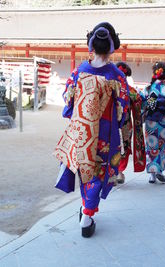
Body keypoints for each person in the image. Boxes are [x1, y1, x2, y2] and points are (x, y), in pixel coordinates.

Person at [53, 22, 129, 238]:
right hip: (105, 133)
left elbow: (67, 104)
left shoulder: (78, 71)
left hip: (82, 130)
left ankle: (86, 211)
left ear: (91, 46)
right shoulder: (117, 75)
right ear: (113, 46)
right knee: (98, 173)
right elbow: (122, 107)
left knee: (84, 169)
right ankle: (87, 215)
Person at [115, 62, 146, 184]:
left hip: (114, 124)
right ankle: (119, 172)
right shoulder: (131, 91)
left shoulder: (110, 88)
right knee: (124, 146)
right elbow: (140, 102)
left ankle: (116, 172)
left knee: (114, 146)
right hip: (125, 124)